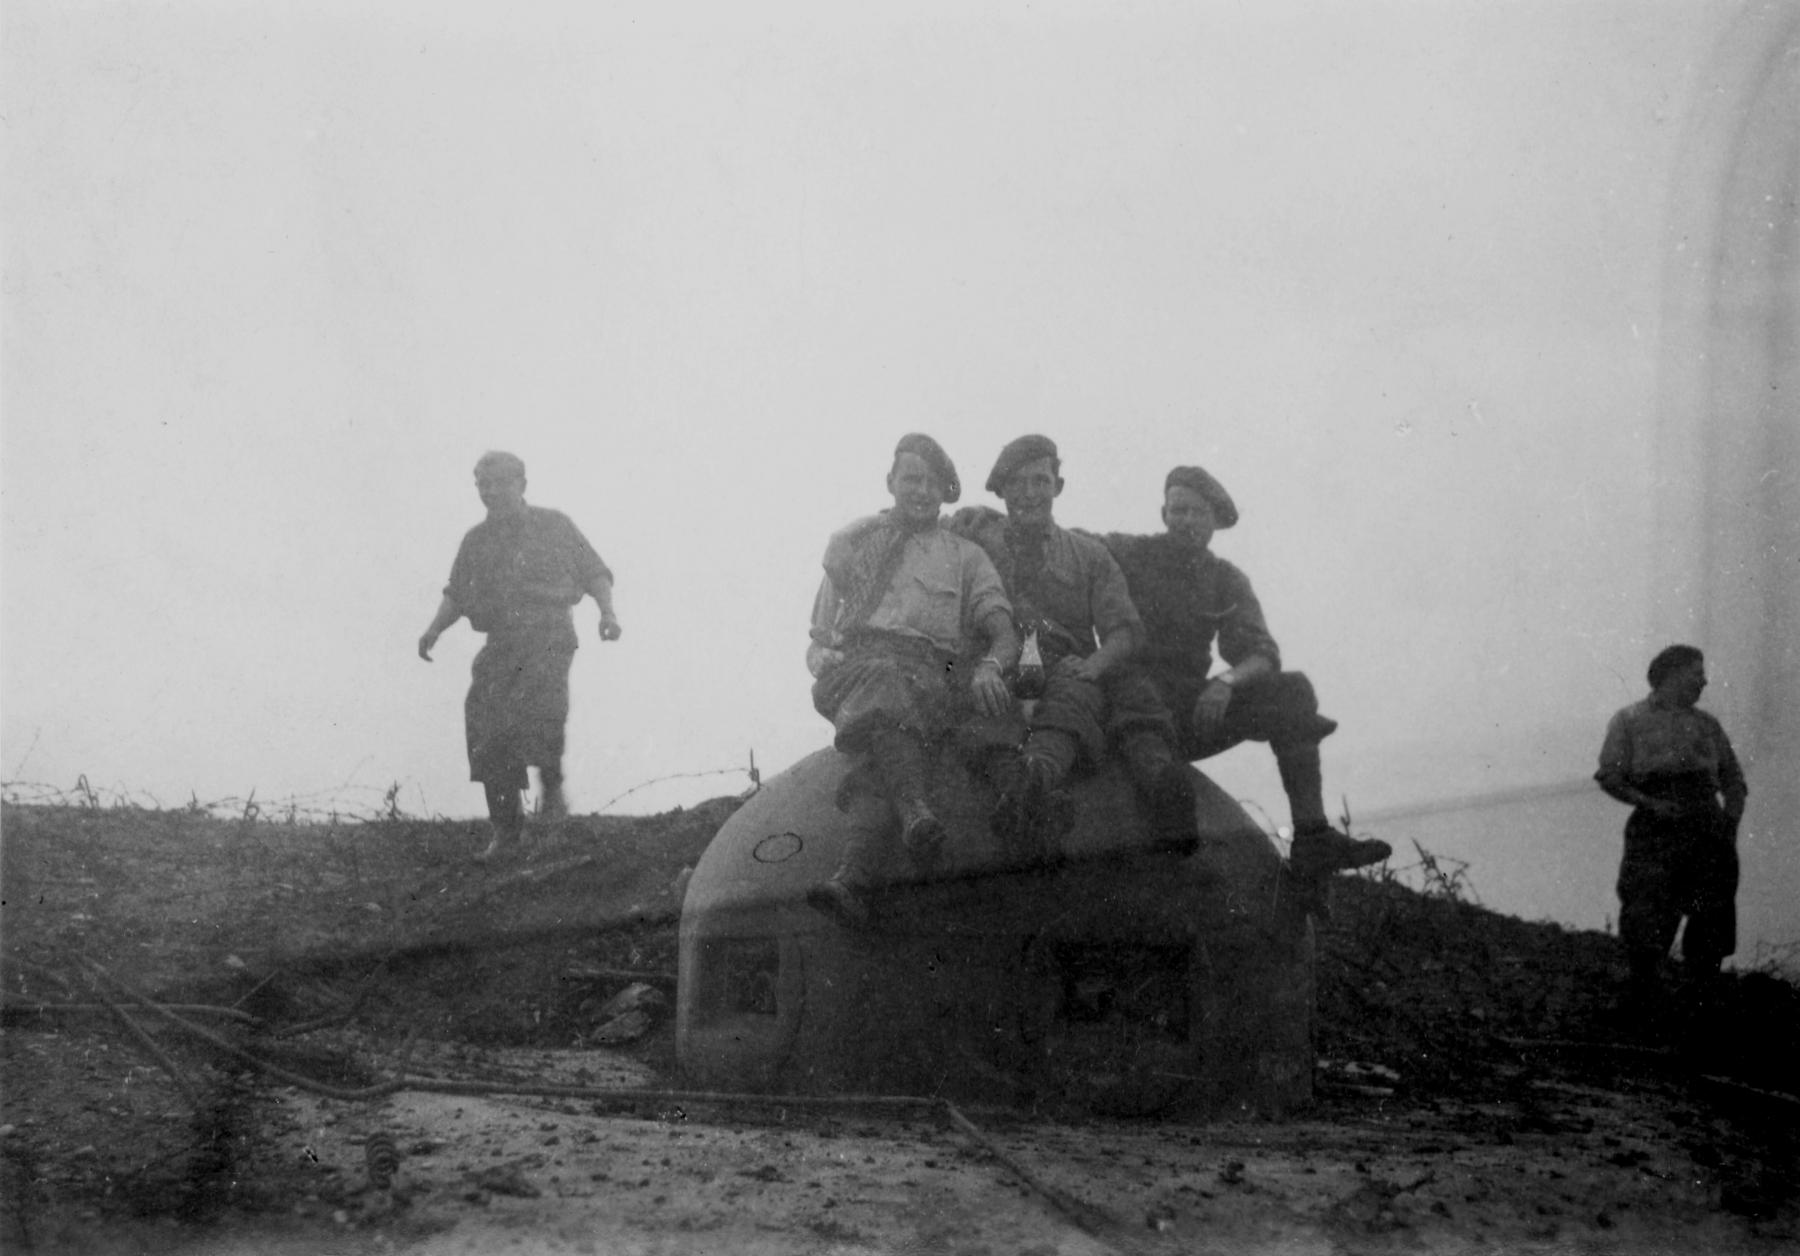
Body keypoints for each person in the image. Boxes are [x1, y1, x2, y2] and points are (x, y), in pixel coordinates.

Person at [1094, 465, 1390, 879]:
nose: (1187, 521)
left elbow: (1262, 653)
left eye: (1198, 512)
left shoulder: (1225, 579)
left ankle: (1312, 838)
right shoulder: (1130, 552)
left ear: (1215, 521)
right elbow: (1066, 542)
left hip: (1192, 707)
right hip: (1132, 705)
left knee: (1292, 690)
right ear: (1163, 514)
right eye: (1178, 511)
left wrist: (1226, 684)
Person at [949, 435, 1198, 860]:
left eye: (1041, 482)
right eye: (1018, 484)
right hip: (999, 656)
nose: (1030, 494)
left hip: (1064, 660)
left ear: (1058, 487)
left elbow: (1124, 630)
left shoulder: (1088, 554)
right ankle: (1019, 788)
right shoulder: (974, 534)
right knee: (982, 706)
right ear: (1002, 491)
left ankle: (1044, 781)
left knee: (1078, 696)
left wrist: (1095, 663)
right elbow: (912, 528)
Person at [806, 434, 1018, 929]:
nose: (921, 491)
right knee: (881, 680)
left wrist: (989, 666)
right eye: (911, 479)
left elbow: (1004, 635)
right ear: (891, 483)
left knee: (880, 741)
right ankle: (913, 808)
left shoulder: (966, 556)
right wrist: (821, 655)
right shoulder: (852, 547)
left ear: (946, 492)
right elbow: (819, 637)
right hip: (857, 670)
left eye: (932, 483)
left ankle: (853, 877)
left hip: (932, 671)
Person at [419, 451, 621, 861]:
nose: (490, 492)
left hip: (548, 633)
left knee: (543, 712)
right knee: (484, 719)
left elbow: (594, 570)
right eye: (482, 485)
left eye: (499, 483)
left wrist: (607, 612)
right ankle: (506, 830)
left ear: (522, 484)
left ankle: (552, 803)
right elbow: (457, 592)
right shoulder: (476, 540)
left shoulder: (554, 525)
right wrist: (434, 629)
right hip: (502, 639)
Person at [1595, 644, 1746, 1021]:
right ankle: (1644, 994)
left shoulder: (1708, 725)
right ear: (1671, 674)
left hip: (1707, 825)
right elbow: (1610, 776)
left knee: (1711, 912)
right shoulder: (1628, 720)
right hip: (1656, 824)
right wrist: (1650, 804)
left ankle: (1702, 999)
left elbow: (1734, 781)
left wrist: (1729, 823)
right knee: (1645, 906)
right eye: (1697, 673)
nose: (1704, 681)